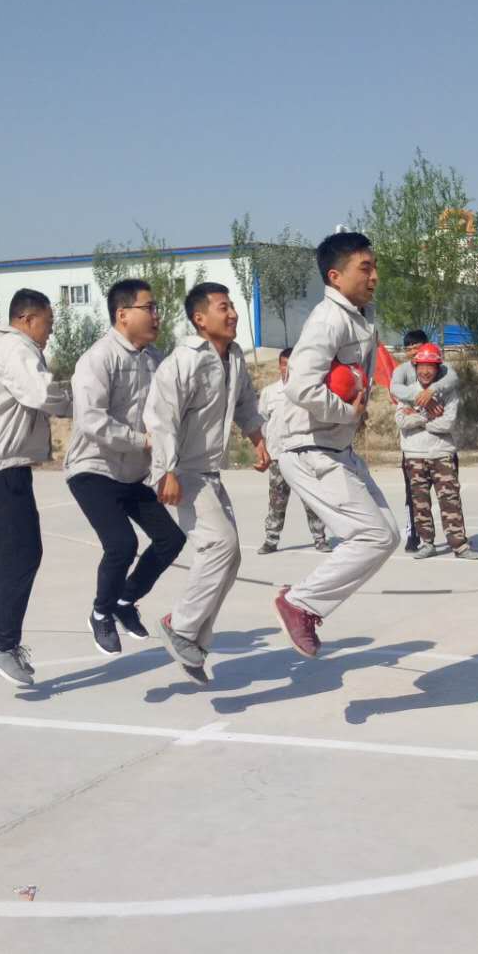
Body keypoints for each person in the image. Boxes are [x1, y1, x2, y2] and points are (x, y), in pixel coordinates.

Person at [271, 232, 402, 658]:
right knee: (372, 536)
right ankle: (299, 604)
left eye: (374, 267)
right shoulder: (329, 320)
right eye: (365, 268)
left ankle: (303, 602)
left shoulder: (358, 318)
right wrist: (348, 412)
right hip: (308, 448)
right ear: (335, 276)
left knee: (387, 535)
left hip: (334, 448)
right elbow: (300, 386)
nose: (374, 276)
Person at [145, 283, 270, 682]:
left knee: (230, 558)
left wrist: (258, 438)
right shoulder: (184, 361)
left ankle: (194, 640)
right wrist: (167, 471)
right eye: (223, 307)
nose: (232, 314)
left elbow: (245, 402)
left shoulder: (233, 357)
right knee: (220, 545)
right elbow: (161, 418)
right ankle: (180, 628)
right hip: (182, 471)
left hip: (208, 472)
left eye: (232, 306)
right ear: (200, 319)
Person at [63, 277, 185, 657]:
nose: (156, 315)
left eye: (156, 308)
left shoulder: (155, 360)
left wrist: (167, 464)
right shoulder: (98, 359)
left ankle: (124, 600)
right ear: (122, 315)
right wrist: (143, 441)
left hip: (133, 472)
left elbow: (167, 414)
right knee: (121, 544)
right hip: (93, 468)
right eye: (149, 308)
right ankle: (101, 613)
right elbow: (91, 420)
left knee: (171, 540)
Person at [0, 289, 72, 687]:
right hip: (0, 468)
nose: (50, 332)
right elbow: (42, 393)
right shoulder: (15, 347)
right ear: (27, 319)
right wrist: (83, 399)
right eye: (48, 323)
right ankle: (1, 643)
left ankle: (5, 643)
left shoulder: (11, 347)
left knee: (10, 558)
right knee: (24, 554)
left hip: (0, 466)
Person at [394, 342, 477, 560]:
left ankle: (459, 545)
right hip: (414, 454)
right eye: (421, 366)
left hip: (441, 453)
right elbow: (401, 420)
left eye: (430, 366)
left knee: (450, 500)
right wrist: (427, 416)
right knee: (419, 502)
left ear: (438, 368)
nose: (425, 371)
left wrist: (417, 418)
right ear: (415, 366)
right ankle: (427, 543)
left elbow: (448, 423)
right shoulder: (408, 392)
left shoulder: (448, 391)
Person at [257, 347, 330, 555]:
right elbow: (261, 421)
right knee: (277, 501)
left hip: (303, 455)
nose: (287, 368)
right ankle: (271, 539)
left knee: (311, 499)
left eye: (292, 364)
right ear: (279, 366)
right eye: (283, 364)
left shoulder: (307, 391)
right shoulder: (270, 392)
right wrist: (263, 449)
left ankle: (320, 538)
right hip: (277, 456)